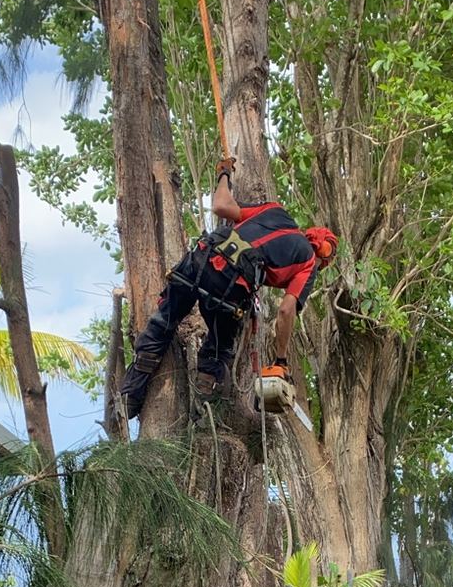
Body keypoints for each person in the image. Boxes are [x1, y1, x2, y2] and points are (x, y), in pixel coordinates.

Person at [121, 157, 338, 421]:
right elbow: (285, 311)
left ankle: (129, 398)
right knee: (217, 349)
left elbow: (221, 205)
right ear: (323, 256)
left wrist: (224, 173)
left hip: (199, 260)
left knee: (162, 323)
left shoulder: (274, 211)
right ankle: (201, 416)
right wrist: (280, 361)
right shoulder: (308, 263)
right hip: (229, 288)